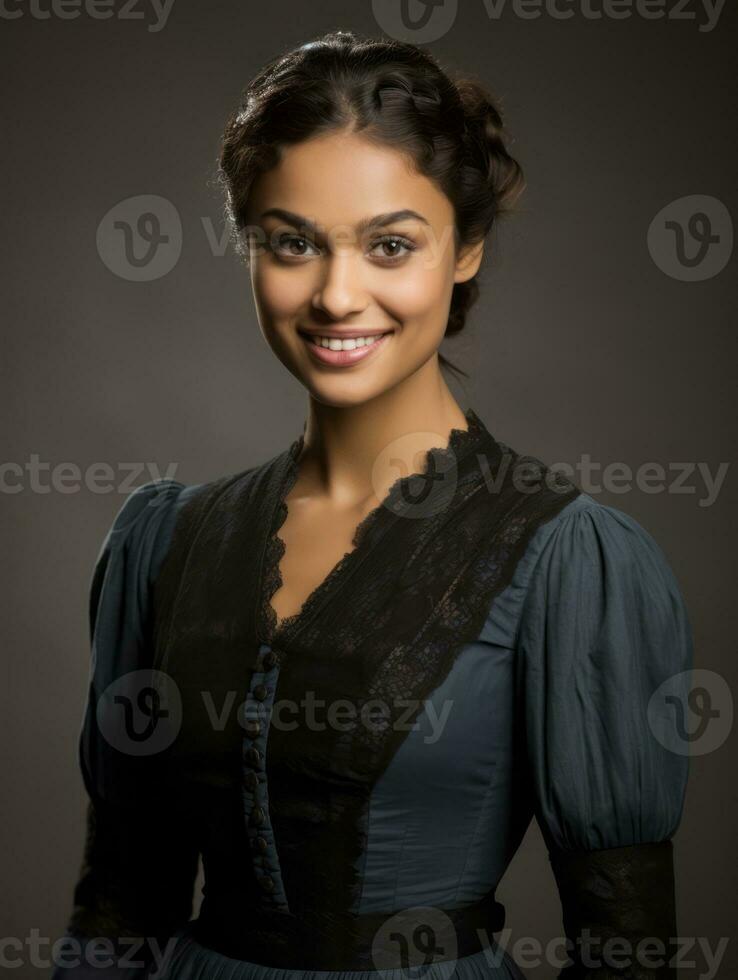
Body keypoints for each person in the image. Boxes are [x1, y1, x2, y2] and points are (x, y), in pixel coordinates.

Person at [53, 30, 693, 980]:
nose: (337, 294)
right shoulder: (165, 543)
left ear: (466, 249)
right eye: (292, 243)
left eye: (391, 244)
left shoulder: (570, 559)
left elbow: (627, 955)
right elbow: (116, 911)